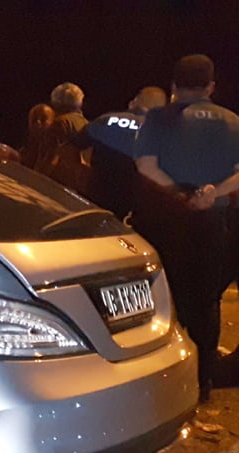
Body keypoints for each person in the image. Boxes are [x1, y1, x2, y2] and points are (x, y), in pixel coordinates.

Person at [133, 54, 239, 402]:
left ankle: (161, 384)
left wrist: (180, 194)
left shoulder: (158, 119)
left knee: (165, 298)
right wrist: (211, 194)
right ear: (210, 86)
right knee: (207, 299)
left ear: (174, 86)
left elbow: (147, 167)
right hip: (212, 221)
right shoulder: (233, 122)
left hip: (165, 219)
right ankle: (203, 382)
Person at [74, 87, 167, 219]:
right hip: (134, 208)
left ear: (134, 101)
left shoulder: (106, 120)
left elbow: (72, 145)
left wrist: (80, 174)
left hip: (96, 195)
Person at [41, 82, 91, 191]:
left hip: (60, 185)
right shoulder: (86, 124)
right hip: (80, 187)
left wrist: (37, 181)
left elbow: (50, 157)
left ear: (56, 102)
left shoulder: (60, 123)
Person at [18, 103, 55, 172]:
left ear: (52, 121)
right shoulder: (24, 148)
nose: (38, 122)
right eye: (34, 119)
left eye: (43, 119)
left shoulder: (55, 153)